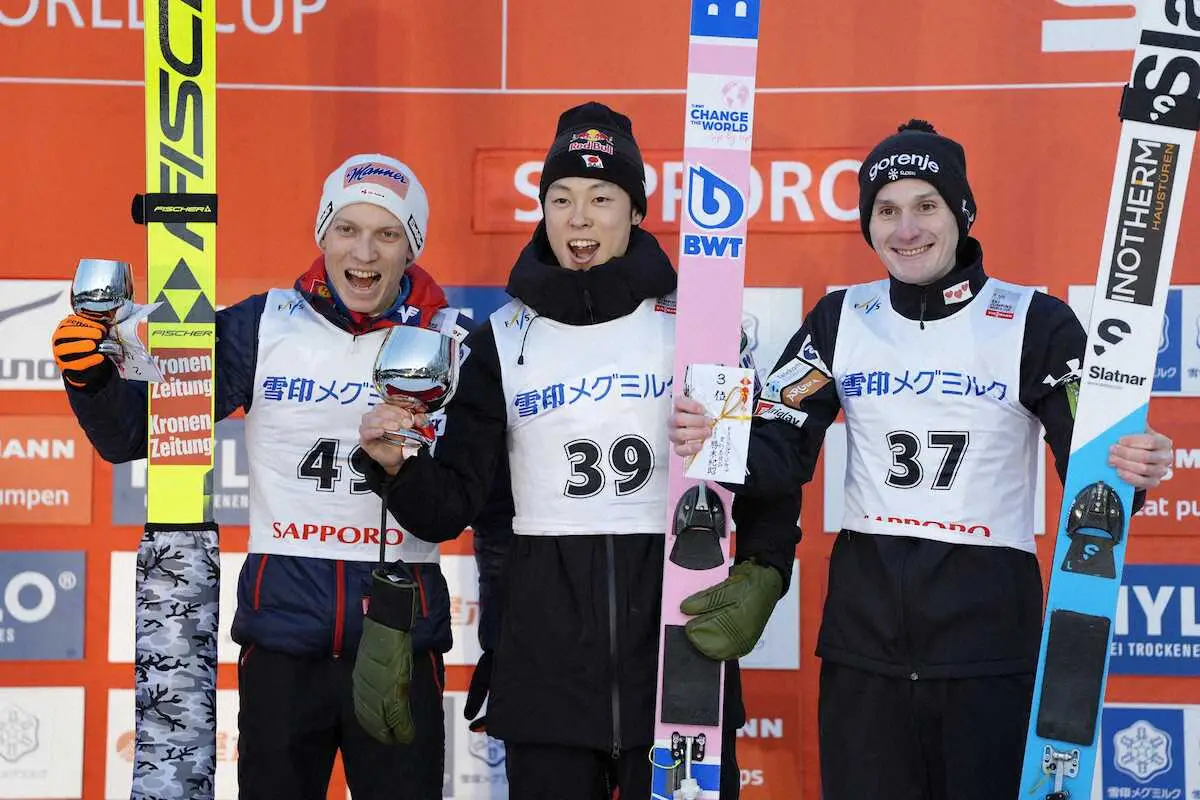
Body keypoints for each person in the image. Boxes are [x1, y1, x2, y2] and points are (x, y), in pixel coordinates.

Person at [669, 119, 1175, 800]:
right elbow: (783, 449)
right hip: (865, 645)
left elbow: (1091, 465)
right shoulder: (841, 317)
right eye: (886, 210)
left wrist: (1131, 464)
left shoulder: (1037, 321)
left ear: (963, 214)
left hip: (989, 643)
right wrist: (717, 439)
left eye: (926, 206)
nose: (906, 230)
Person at [355, 101, 800, 799]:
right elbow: (450, 507)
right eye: (560, 198)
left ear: (635, 211)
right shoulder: (501, 339)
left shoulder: (700, 321)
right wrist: (396, 466)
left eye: (601, 197)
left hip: (678, 638)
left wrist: (766, 571)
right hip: (545, 660)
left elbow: (772, 471)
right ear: (543, 209)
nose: (579, 218)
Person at [51, 153, 513, 800]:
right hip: (283, 639)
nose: (364, 252)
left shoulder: (456, 340)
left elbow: (456, 509)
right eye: (347, 229)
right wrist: (90, 376)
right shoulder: (261, 324)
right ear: (322, 233)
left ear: (412, 246)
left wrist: (400, 464)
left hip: (397, 641)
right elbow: (131, 433)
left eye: (387, 234)